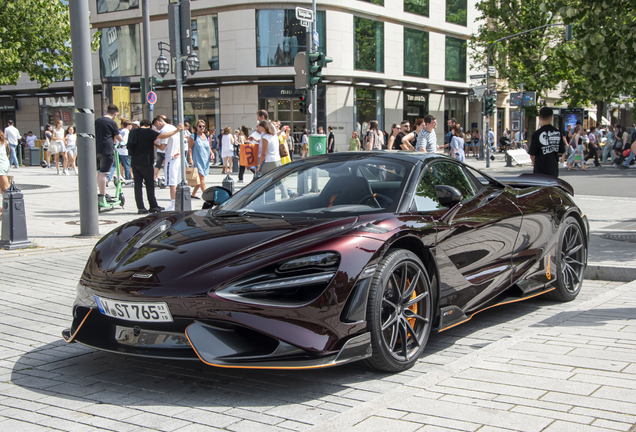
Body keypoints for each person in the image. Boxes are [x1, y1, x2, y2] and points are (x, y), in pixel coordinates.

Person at [128, 119, 183, 214]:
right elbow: (162, 136)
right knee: (149, 185)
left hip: (135, 161)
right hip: (146, 162)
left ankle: (141, 208)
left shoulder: (133, 132)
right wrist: (176, 131)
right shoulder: (148, 131)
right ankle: (153, 206)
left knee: (137, 185)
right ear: (149, 125)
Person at [152, 115, 182, 211]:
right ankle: (177, 202)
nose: (157, 129)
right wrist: (179, 150)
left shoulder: (164, 130)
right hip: (177, 156)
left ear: (158, 122)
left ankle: (173, 204)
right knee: (176, 181)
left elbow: (162, 147)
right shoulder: (172, 127)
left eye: (156, 127)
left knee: (171, 182)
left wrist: (154, 144)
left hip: (170, 157)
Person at [95, 105, 123, 202]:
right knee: (104, 174)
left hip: (96, 149)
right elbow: (119, 137)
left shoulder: (97, 121)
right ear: (115, 113)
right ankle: (102, 196)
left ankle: (100, 193)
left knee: (99, 172)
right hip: (106, 150)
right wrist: (122, 141)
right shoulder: (112, 122)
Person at [528, 107, 566, 177]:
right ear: (551, 118)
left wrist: (534, 164)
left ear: (539, 118)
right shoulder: (557, 133)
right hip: (553, 168)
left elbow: (532, 154)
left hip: (540, 169)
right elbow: (561, 151)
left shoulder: (537, 133)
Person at [188, 119, 212, 200]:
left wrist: (211, 153)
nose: (202, 128)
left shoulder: (206, 136)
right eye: (200, 126)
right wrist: (190, 158)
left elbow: (208, 147)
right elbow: (190, 148)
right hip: (197, 159)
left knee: (200, 178)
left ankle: (193, 193)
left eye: (203, 126)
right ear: (196, 127)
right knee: (201, 178)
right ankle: (206, 195)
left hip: (205, 160)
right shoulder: (193, 136)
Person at [0, 131, 11, 217]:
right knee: (5, 188)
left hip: (1, 164)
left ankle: (8, 208)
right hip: (4, 162)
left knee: (5, 188)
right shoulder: (4, 141)